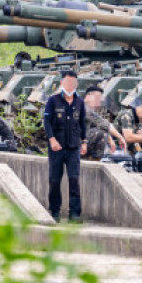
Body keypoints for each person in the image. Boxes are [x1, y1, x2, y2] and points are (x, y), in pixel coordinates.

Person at [43, 70, 87, 221]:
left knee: (74, 180)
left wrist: (84, 141)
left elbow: (82, 123)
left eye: (73, 83)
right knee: (55, 180)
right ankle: (55, 211)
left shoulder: (79, 102)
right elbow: (47, 122)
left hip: (73, 147)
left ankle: (74, 214)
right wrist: (52, 139)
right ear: (62, 83)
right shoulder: (53, 101)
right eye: (67, 82)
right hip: (57, 147)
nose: (70, 85)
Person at [83, 86, 126, 159]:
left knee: (102, 132)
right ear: (88, 96)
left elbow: (100, 124)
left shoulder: (86, 108)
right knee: (102, 133)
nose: (100, 100)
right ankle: (94, 161)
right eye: (98, 97)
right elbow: (105, 124)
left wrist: (109, 139)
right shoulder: (83, 108)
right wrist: (120, 137)